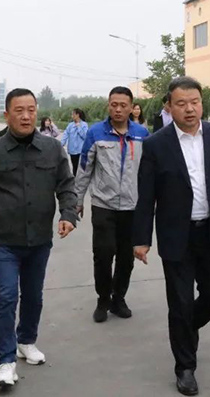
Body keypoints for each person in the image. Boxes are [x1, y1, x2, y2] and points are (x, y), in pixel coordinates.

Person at [134, 76, 210, 396]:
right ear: (169, 107)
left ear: (202, 103)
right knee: (180, 302)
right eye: (181, 103)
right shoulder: (156, 144)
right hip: (177, 235)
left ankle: (186, 330)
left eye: (195, 102)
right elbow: (146, 196)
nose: (189, 109)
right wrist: (141, 238)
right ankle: (185, 367)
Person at [0, 88, 78, 389]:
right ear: (7, 114)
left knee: (33, 295)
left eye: (31, 110)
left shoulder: (52, 149)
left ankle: (26, 341)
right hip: (4, 239)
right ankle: (5, 361)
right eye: (19, 110)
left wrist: (68, 214)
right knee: (5, 297)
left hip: (39, 238)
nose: (26, 116)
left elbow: (66, 186)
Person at [75, 87, 149, 323]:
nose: (118, 109)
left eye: (123, 105)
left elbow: (149, 172)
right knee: (103, 254)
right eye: (114, 104)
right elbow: (85, 168)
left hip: (132, 207)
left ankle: (119, 299)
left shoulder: (142, 134)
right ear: (108, 105)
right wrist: (77, 200)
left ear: (131, 107)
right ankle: (103, 299)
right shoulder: (96, 133)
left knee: (126, 258)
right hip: (103, 205)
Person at [61, 108, 88, 175]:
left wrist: (79, 127)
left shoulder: (84, 124)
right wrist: (61, 144)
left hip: (80, 151)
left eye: (73, 114)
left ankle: (81, 180)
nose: (72, 116)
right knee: (74, 167)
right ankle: (75, 180)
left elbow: (85, 136)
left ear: (77, 115)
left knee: (81, 168)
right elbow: (65, 135)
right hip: (72, 150)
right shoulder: (70, 125)